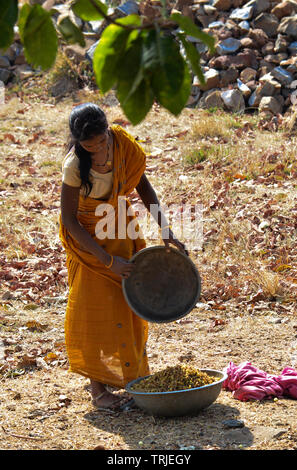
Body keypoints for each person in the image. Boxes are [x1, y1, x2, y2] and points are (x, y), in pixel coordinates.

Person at [59, 103, 188, 410]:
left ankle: (130, 378)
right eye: (90, 147)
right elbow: (69, 220)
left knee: (126, 304)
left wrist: (164, 227)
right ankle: (98, 388)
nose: (99, 149)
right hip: (88, 242)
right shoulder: (74, 166)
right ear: (79, 144)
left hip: (120, 229)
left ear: (108, 130)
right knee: (94, 310)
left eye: (102, 141)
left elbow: (143, 185)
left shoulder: (121, 143)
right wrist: (106, 260)